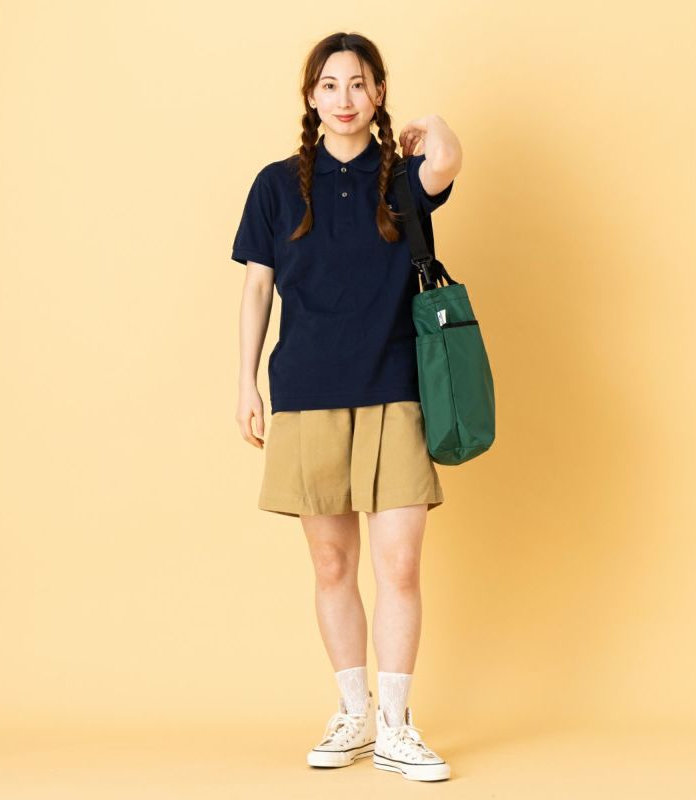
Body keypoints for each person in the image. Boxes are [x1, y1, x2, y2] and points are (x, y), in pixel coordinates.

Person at [231, 32, 462, 782]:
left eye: (359, 84)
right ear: (311, 96)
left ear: (379, 93)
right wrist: (246, 383)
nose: (344, 99)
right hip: (306, 391)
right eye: (329, 85)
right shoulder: (275, 186)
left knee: (400, 565)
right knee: (332, 563)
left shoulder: (402, 178)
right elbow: (257, 288)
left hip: (395, 387)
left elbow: (449, 160)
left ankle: (396, 725)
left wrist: (432, 125)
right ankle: (353, 714)